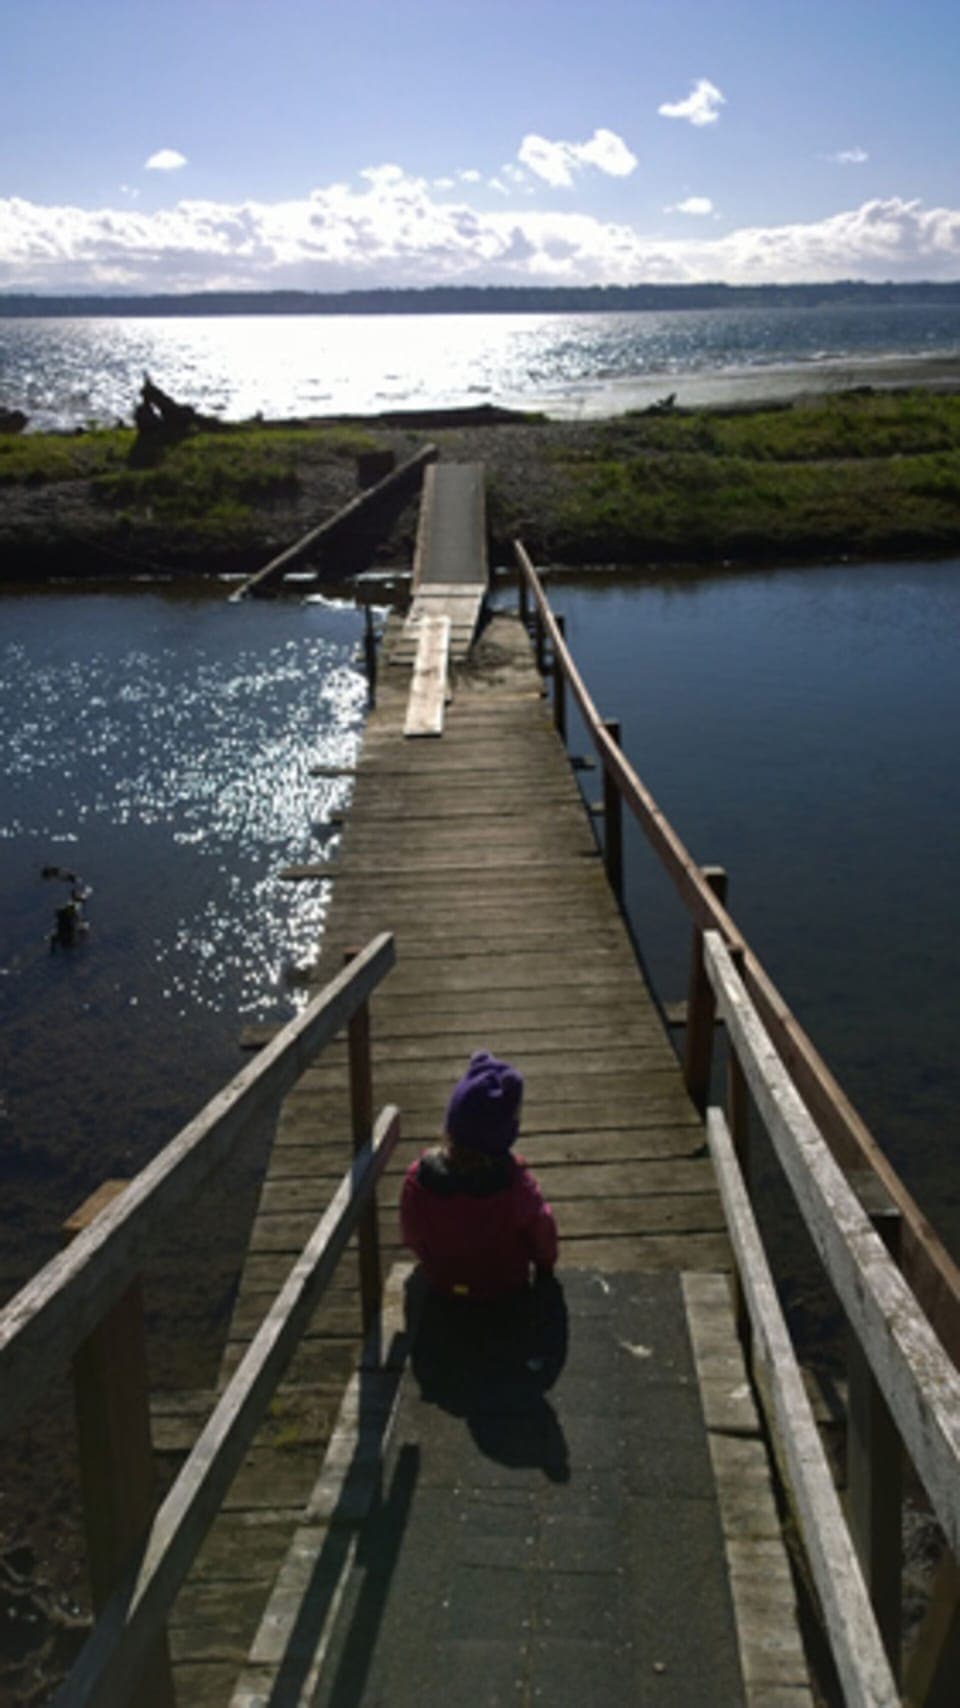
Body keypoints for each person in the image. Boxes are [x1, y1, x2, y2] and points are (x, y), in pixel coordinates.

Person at [400, 1050, 558, 1301]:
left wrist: (428, 1257)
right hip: (505, 1285)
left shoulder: (418, 1179)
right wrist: (545, 1265)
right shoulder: (516, 1186)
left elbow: (411, 1235)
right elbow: (543, 1232)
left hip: (444, 1281)